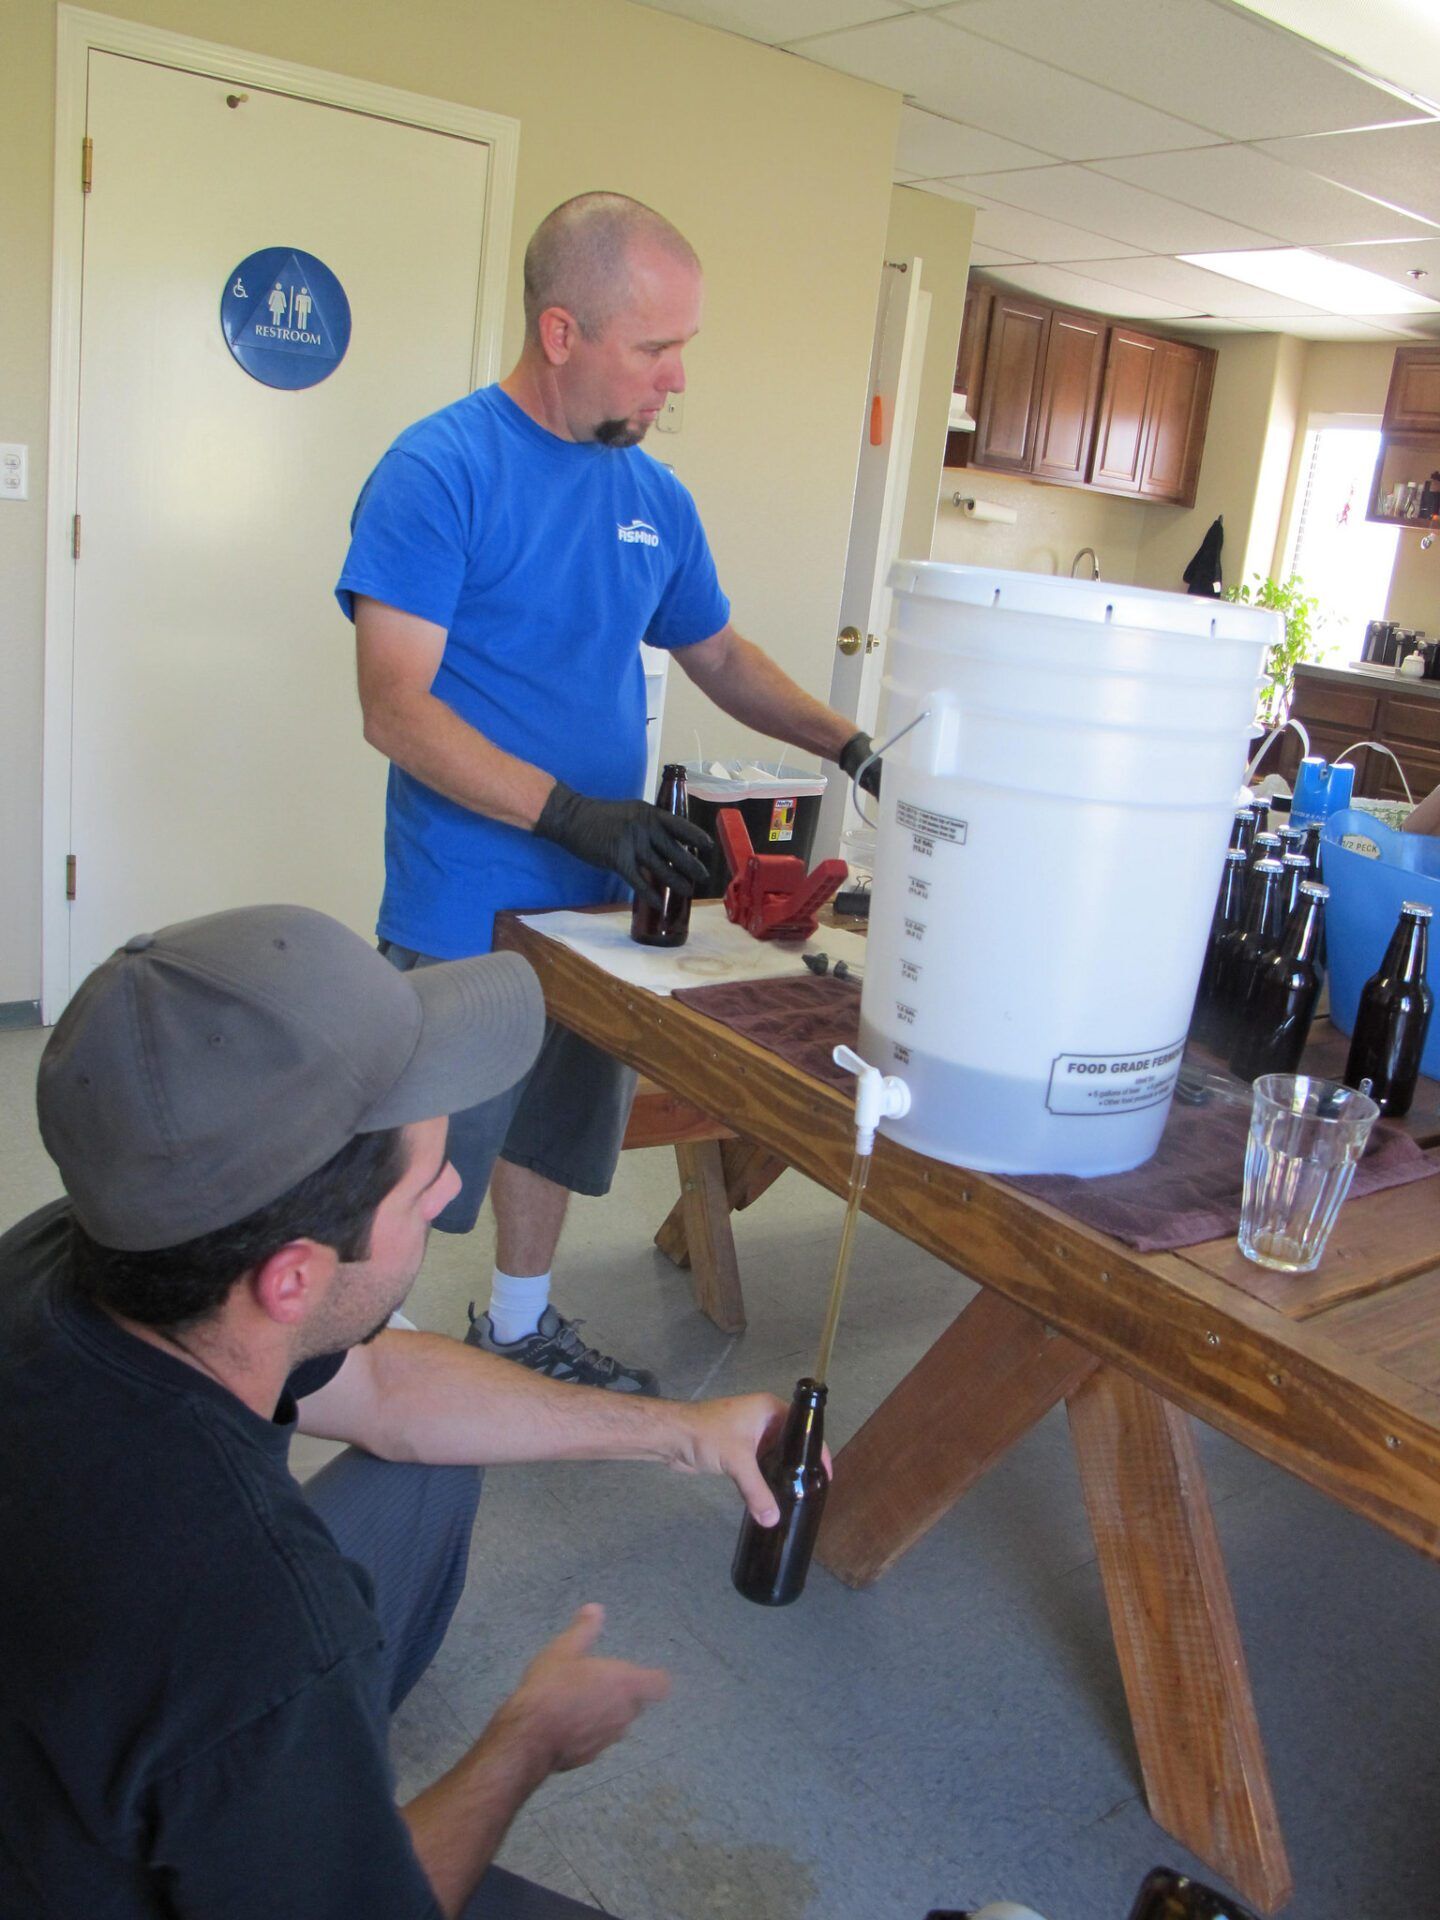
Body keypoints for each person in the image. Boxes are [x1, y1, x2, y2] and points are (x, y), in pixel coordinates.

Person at [0, 904, 800, 1920]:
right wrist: (527, 1740)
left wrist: (677, 1429)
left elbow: (381, 1386)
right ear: (292, 1279)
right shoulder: (257, 1620)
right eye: (425, 1184)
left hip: (81, 1730)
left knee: (430, 1466)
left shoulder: (88, 1246)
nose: (453, 1186)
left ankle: (296, 1799)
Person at [337, 190, 881, 1394]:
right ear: (562, 332)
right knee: (414, 1166)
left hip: (597, 909)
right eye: (655, 348)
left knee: (557, 1134)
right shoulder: (442, 470)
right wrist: (573, 811)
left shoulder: (654, 500)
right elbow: (396, 705)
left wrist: (853, 746)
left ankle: (522, 1327)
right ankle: (342, 1360)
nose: (677, 378)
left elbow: (722, 658)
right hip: (462, 909)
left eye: (684, 346)